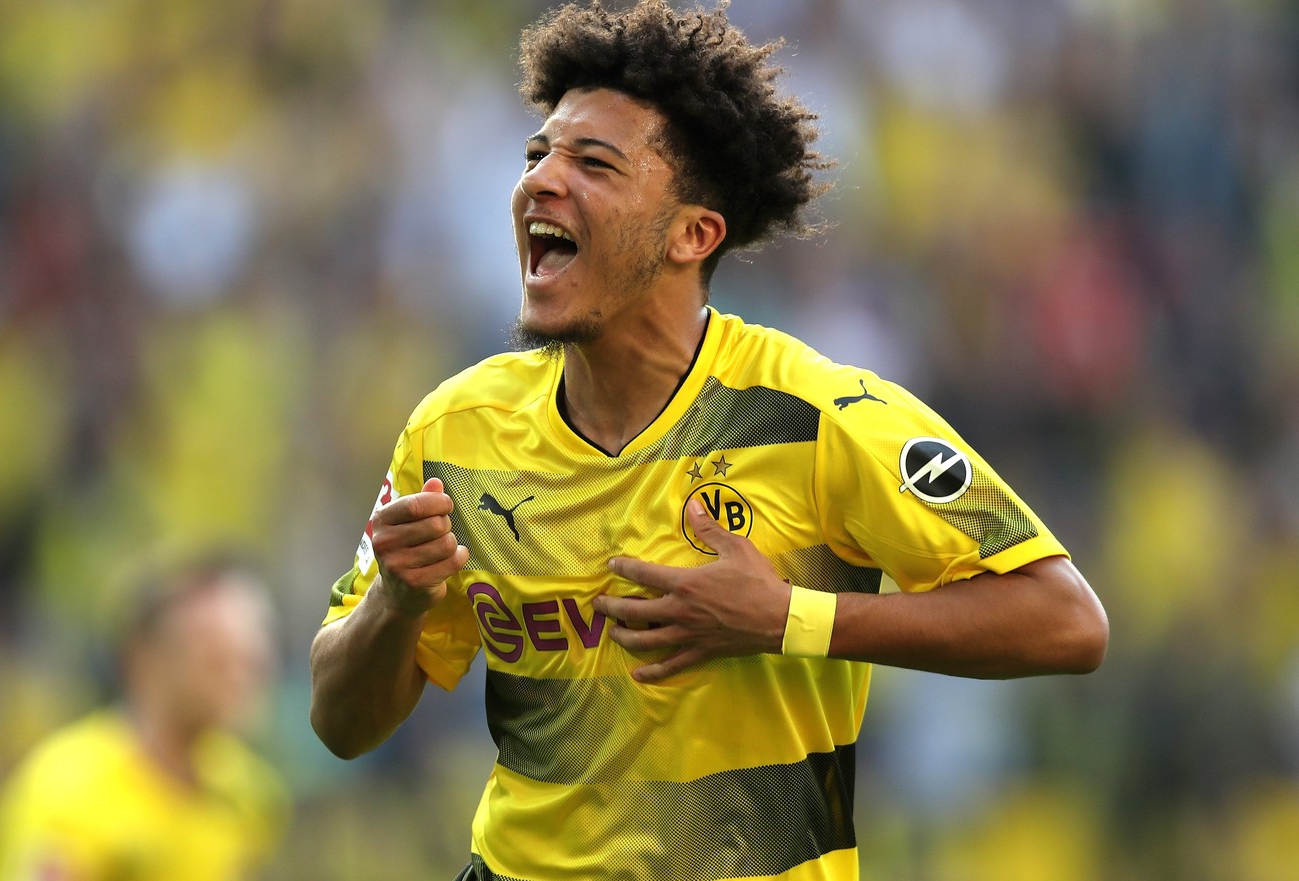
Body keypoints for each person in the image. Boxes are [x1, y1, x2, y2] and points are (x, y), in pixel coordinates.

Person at [309, 2, 1110, 880]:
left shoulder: (817, 413)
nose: (541, 179)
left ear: (694, 233)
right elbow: (340, 723)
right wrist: (396, 602)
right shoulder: (455, 430)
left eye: (593, 162)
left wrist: (788, 620)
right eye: (537, 154)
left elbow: (1066, 619)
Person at [0, 554, 290, 881]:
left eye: (250, 655)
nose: (243, 675)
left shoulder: (252, 796)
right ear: (144, 659)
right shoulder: (69, 791)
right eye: (216, 654)